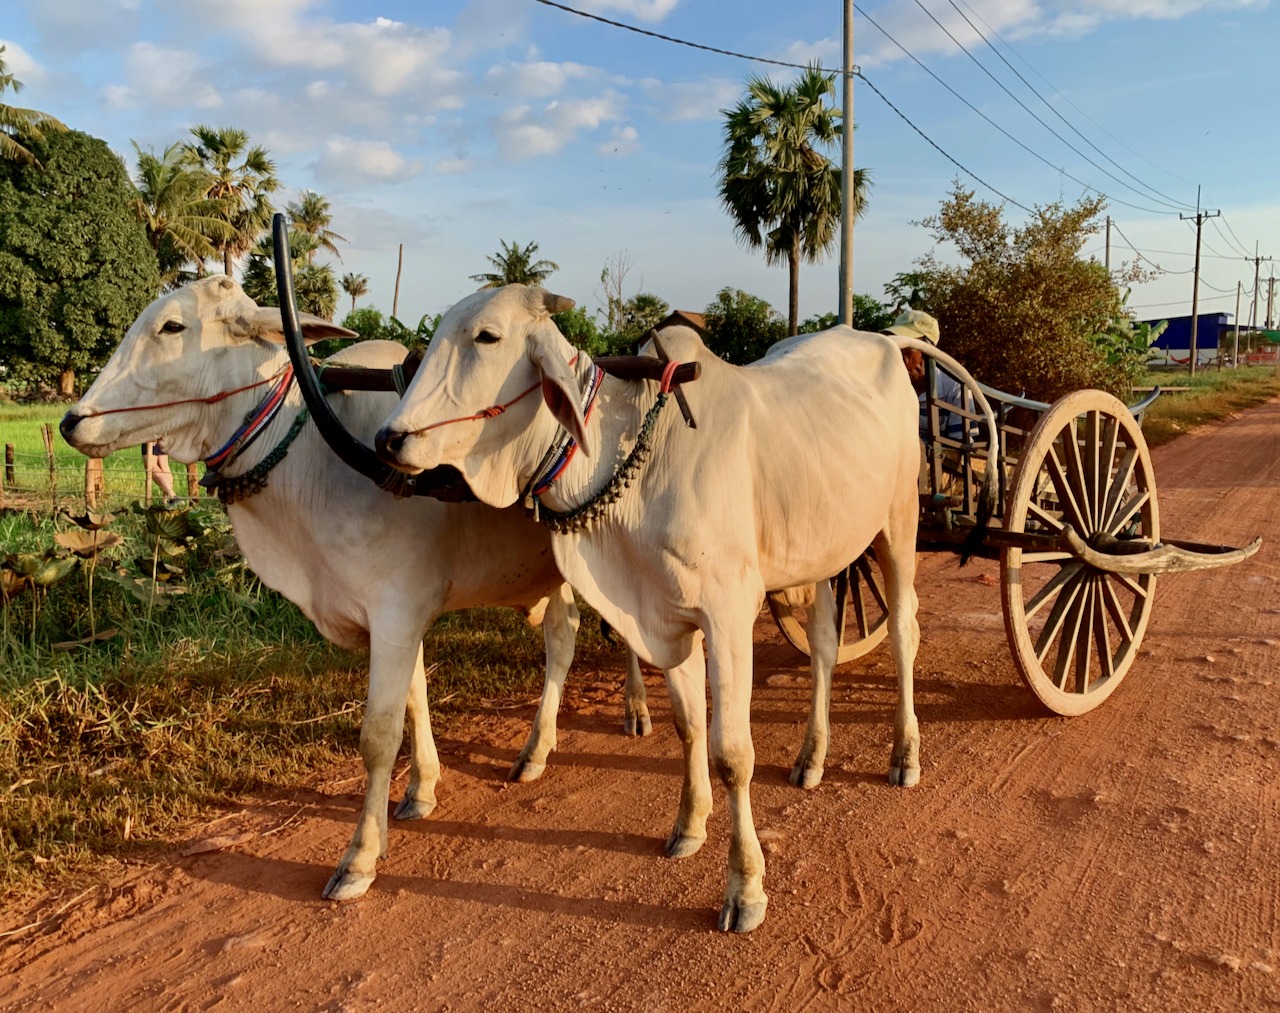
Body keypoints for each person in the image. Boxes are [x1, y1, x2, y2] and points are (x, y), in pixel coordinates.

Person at [883, 308, 965, 440]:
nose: (897, 348)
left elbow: (960, 449)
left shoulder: (954, 388)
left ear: (927, 348)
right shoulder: (885, 385)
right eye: (894, 342)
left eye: (904, 343)